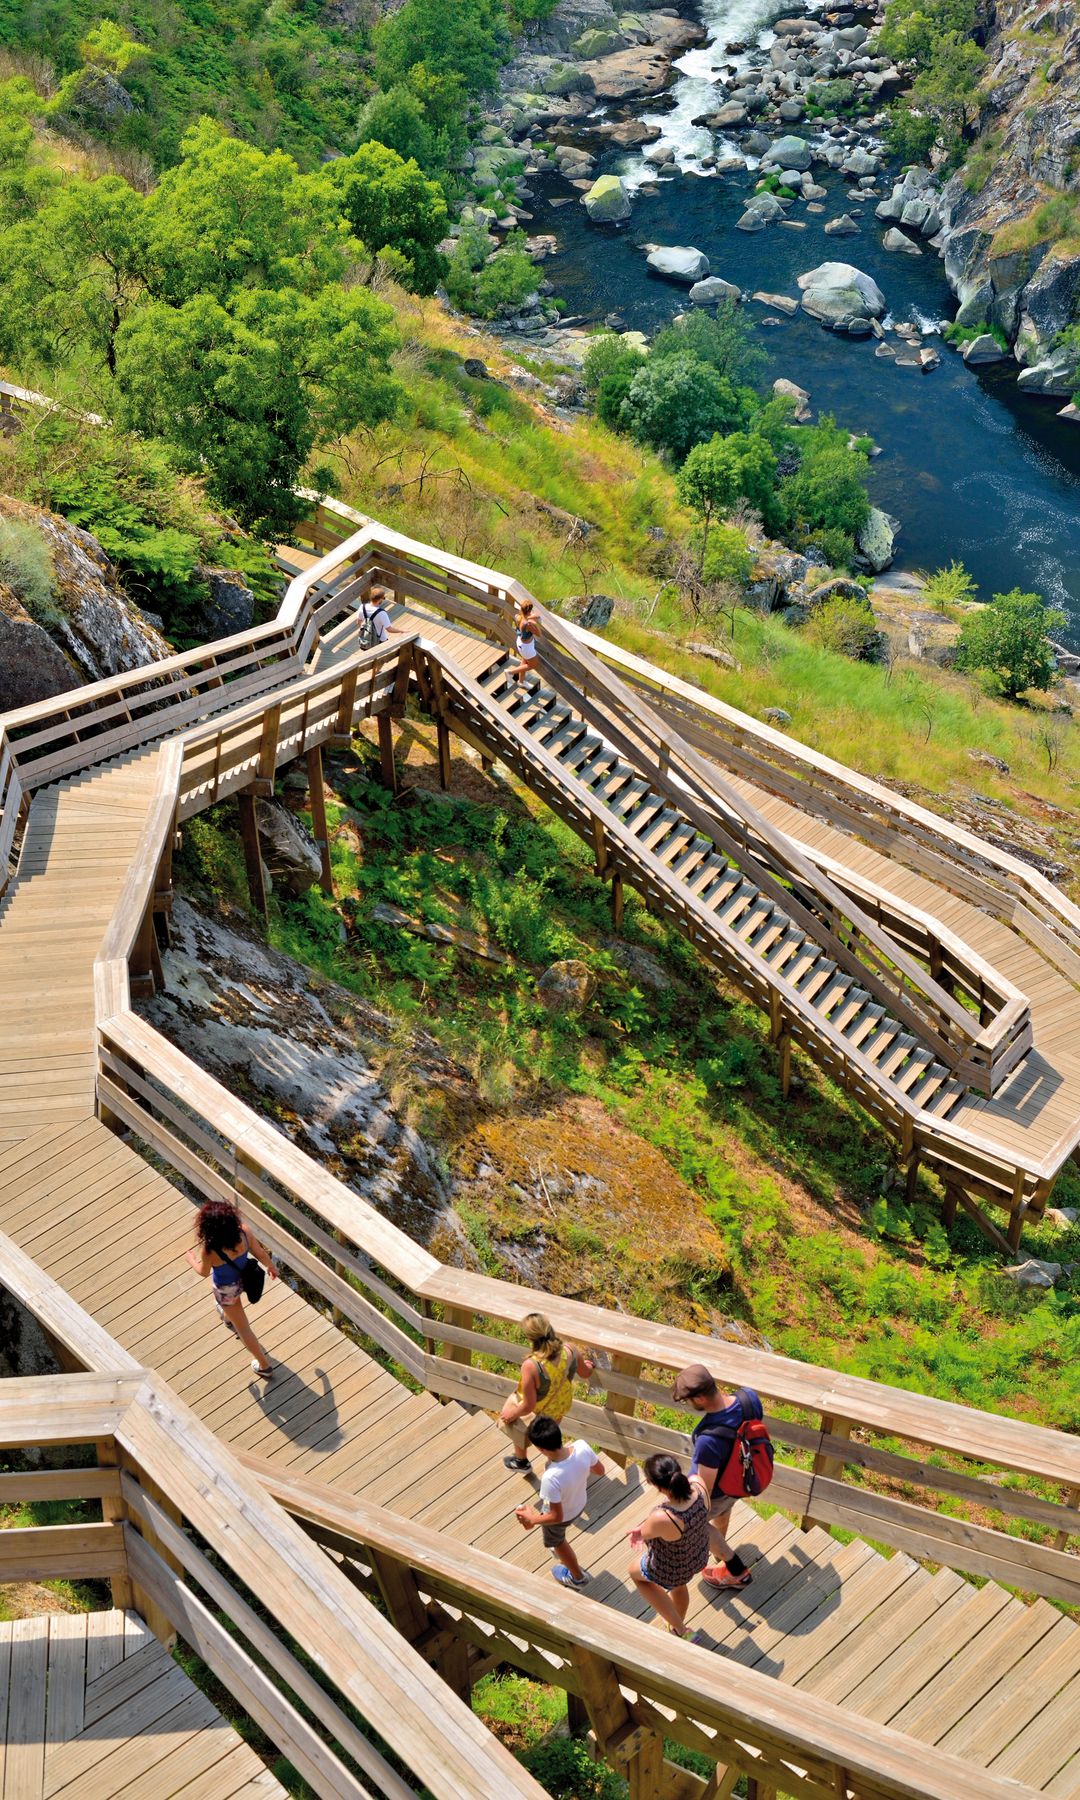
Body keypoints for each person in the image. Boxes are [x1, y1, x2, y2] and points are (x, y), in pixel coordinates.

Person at [672, 1363, 762, 1590]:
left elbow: (706, 1490)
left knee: (693, 1523)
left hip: (721, 1489)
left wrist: (689, 1512)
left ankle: (736, 1571)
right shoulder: (749, 1398)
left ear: (700, 1398)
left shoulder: (708, 1440)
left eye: (688, 1400)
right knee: (724, 1510)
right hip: (742, 1478)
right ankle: (718, 1550)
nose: (688, 1404)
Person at [186, 1199, 279, 1378]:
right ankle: (228, 1317)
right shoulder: (244, 1232)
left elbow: (204, 1272)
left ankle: (264, 1365)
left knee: (243, 1328)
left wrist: (192, 1261)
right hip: (245, 1278)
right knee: (232, 1312)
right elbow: (260, 1253)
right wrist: (270, 1266)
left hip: (227, 1290)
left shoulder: (210, 1249)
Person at [628, 1452, 710, 1640]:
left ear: (654, 1484)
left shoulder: (663, 1516)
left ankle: (681, 1630)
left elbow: (646, 1533)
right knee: (679, 1586)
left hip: (673, 1568)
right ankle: (675, 1622)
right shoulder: (699, 1484)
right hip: (698, 1554)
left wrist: (638, 1532)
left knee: (635, 1573)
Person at [515, 1416, 604, 1588]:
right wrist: (578, 1471)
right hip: (580, 1502)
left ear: (541, 1449)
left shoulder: (551, 1478)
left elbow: (556, 1516)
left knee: (557, 1541)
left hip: (563, 1515)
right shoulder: (582, 1446)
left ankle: (577, 1578)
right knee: (557, 1536)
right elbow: (600, 1470)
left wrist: (531, 1519)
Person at [500, 1313, 594, 1471]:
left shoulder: (532, 1366)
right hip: (560, 1405)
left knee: (515, 1406)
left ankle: (521, 1461)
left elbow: (529, 1405)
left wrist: (512, 1414)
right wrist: (589, 1366)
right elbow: (585, 1373)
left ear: (531, 1339)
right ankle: (560, 1460)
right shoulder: (570, 1350)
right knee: (549, 1435)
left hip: (540, 1409)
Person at [513, 598, 541, 684]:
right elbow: (539, 634)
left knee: (524, 661)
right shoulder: (528, 624)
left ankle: (521, 682)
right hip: (527, 648)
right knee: (533, 665)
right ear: (529, 611)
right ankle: (510, 672)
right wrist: (536, 624)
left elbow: (528, 616)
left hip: (521, 643)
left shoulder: (518, 617)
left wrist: (531, 616)